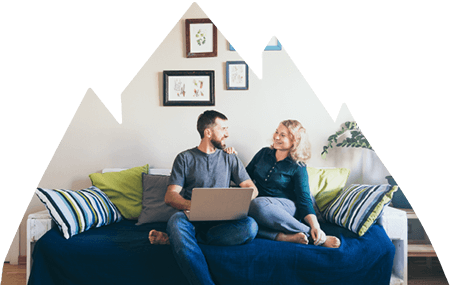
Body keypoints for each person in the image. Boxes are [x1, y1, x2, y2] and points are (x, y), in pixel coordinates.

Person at [148, 110, 259, 285]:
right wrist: (196, 205)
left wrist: (234, 201)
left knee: (250, 226)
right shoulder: (184, 158)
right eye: (223, 129)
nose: (227, 134)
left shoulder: (230, 158)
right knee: (176, 222)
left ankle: (179, 241)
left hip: (222, 220)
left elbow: (252, 189)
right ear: (208, 132)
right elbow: (170, 196)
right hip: (191, 217)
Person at [239, 119, 340, 248]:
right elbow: (244, 177)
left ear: (295, 140)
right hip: (260, 208)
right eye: (276, 132)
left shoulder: (298, 166)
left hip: (285, 207)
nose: (276, 137)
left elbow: (304, 199)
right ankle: (282, 237)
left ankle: (315, 236)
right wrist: (229, 156)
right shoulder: (263, 153)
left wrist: (315, 227)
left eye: (282, 135)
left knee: (258, 204)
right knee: (246, 221)